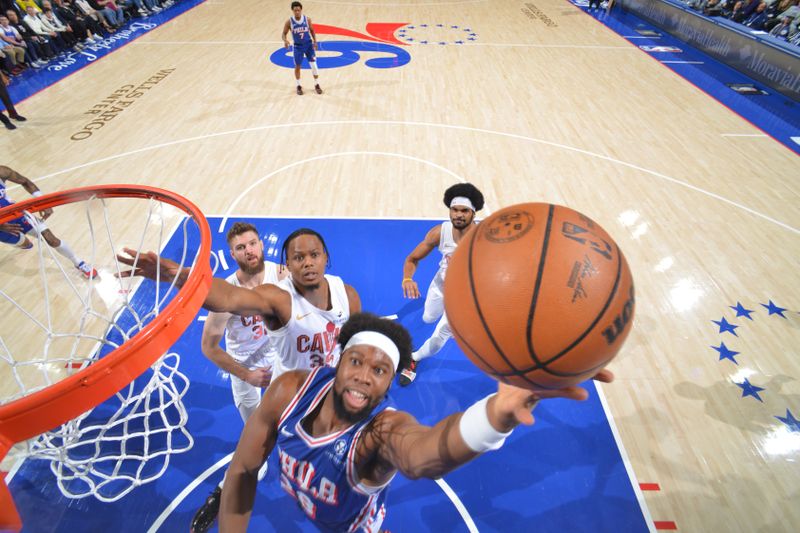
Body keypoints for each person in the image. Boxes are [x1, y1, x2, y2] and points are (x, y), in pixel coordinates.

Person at [216, 312, 615, 531]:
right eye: (356, 362)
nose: (364, 376)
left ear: (390, 384)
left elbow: (422, 454)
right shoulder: (290, 391)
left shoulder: (380, 431)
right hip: (317, 505)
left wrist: (494, 416)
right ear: (337, 363)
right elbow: (243, 469)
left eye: (380, 370)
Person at [118, 227, 361, 532]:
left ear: (326, 257)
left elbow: (354, 343)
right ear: (289, 264)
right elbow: (227, 299)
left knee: (343, 459)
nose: (308, 262)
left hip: (318, 388)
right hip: (276, 390)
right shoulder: (277, 296)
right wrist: (175, 273)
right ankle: (222, 496)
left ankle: (355, 515)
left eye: (314, 255)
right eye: (299, 257)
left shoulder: (344, 294)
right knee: (250, 456)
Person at [190, 222, 288, 532]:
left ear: (261, 245)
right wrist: (246, 373)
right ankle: (224, 493)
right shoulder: (226, 295)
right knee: (253, 436)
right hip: (246, 369)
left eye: (252, 243)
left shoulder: (283, 274)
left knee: (296, 423)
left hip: (282, 361)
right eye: (241, 247)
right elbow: (208, 348)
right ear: (232, 254)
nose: (249, 250)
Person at [397, 183, 484, 386]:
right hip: (441, 285)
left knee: (439, 338)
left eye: (464, 211)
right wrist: (407, 279)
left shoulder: (484, 237)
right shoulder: (439, 233)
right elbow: (412, 259)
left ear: (473, 213)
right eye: (455, 210)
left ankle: (414, 359)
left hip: (464, 297)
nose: (458, 215)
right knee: (428, 317)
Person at [0, 165, 98, 279]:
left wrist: (43, 202)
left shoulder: (2, 171)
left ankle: (79, 263)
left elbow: (25, 182)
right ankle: (22, 243)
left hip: (15, 214)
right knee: (26, 245)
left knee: (51, 240)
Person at [281, 1, 322, 96]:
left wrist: (315, 42)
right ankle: (298, 85)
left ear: (301, 10)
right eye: (295, 11)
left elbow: (312, 31)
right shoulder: (289, 22)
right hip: (298, 47)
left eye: (298, 10)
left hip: (308, 45)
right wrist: (285, 40)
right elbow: (283, 33)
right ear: (292, 11)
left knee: (314, 65)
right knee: (298, 66)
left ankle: (317, 84)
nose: (297, 12)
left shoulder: (307, 19)